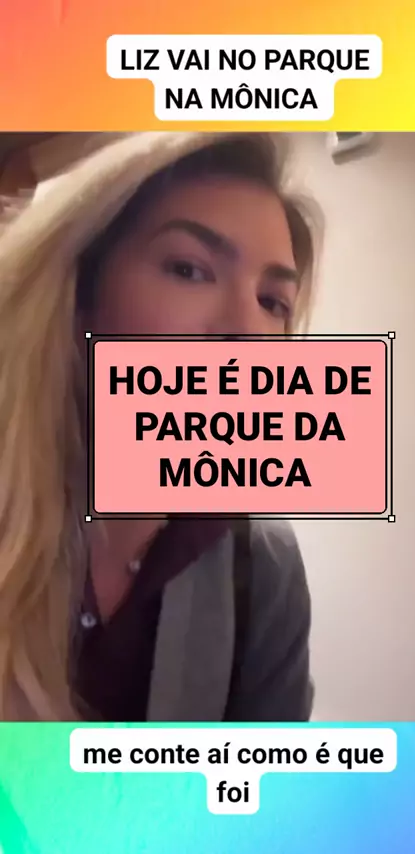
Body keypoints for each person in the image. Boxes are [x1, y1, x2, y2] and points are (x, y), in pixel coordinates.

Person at [0, 131, 322, 722]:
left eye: (273, 302)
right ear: (80, 295)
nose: (247, 333)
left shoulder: (262, 571)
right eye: (189, 269)